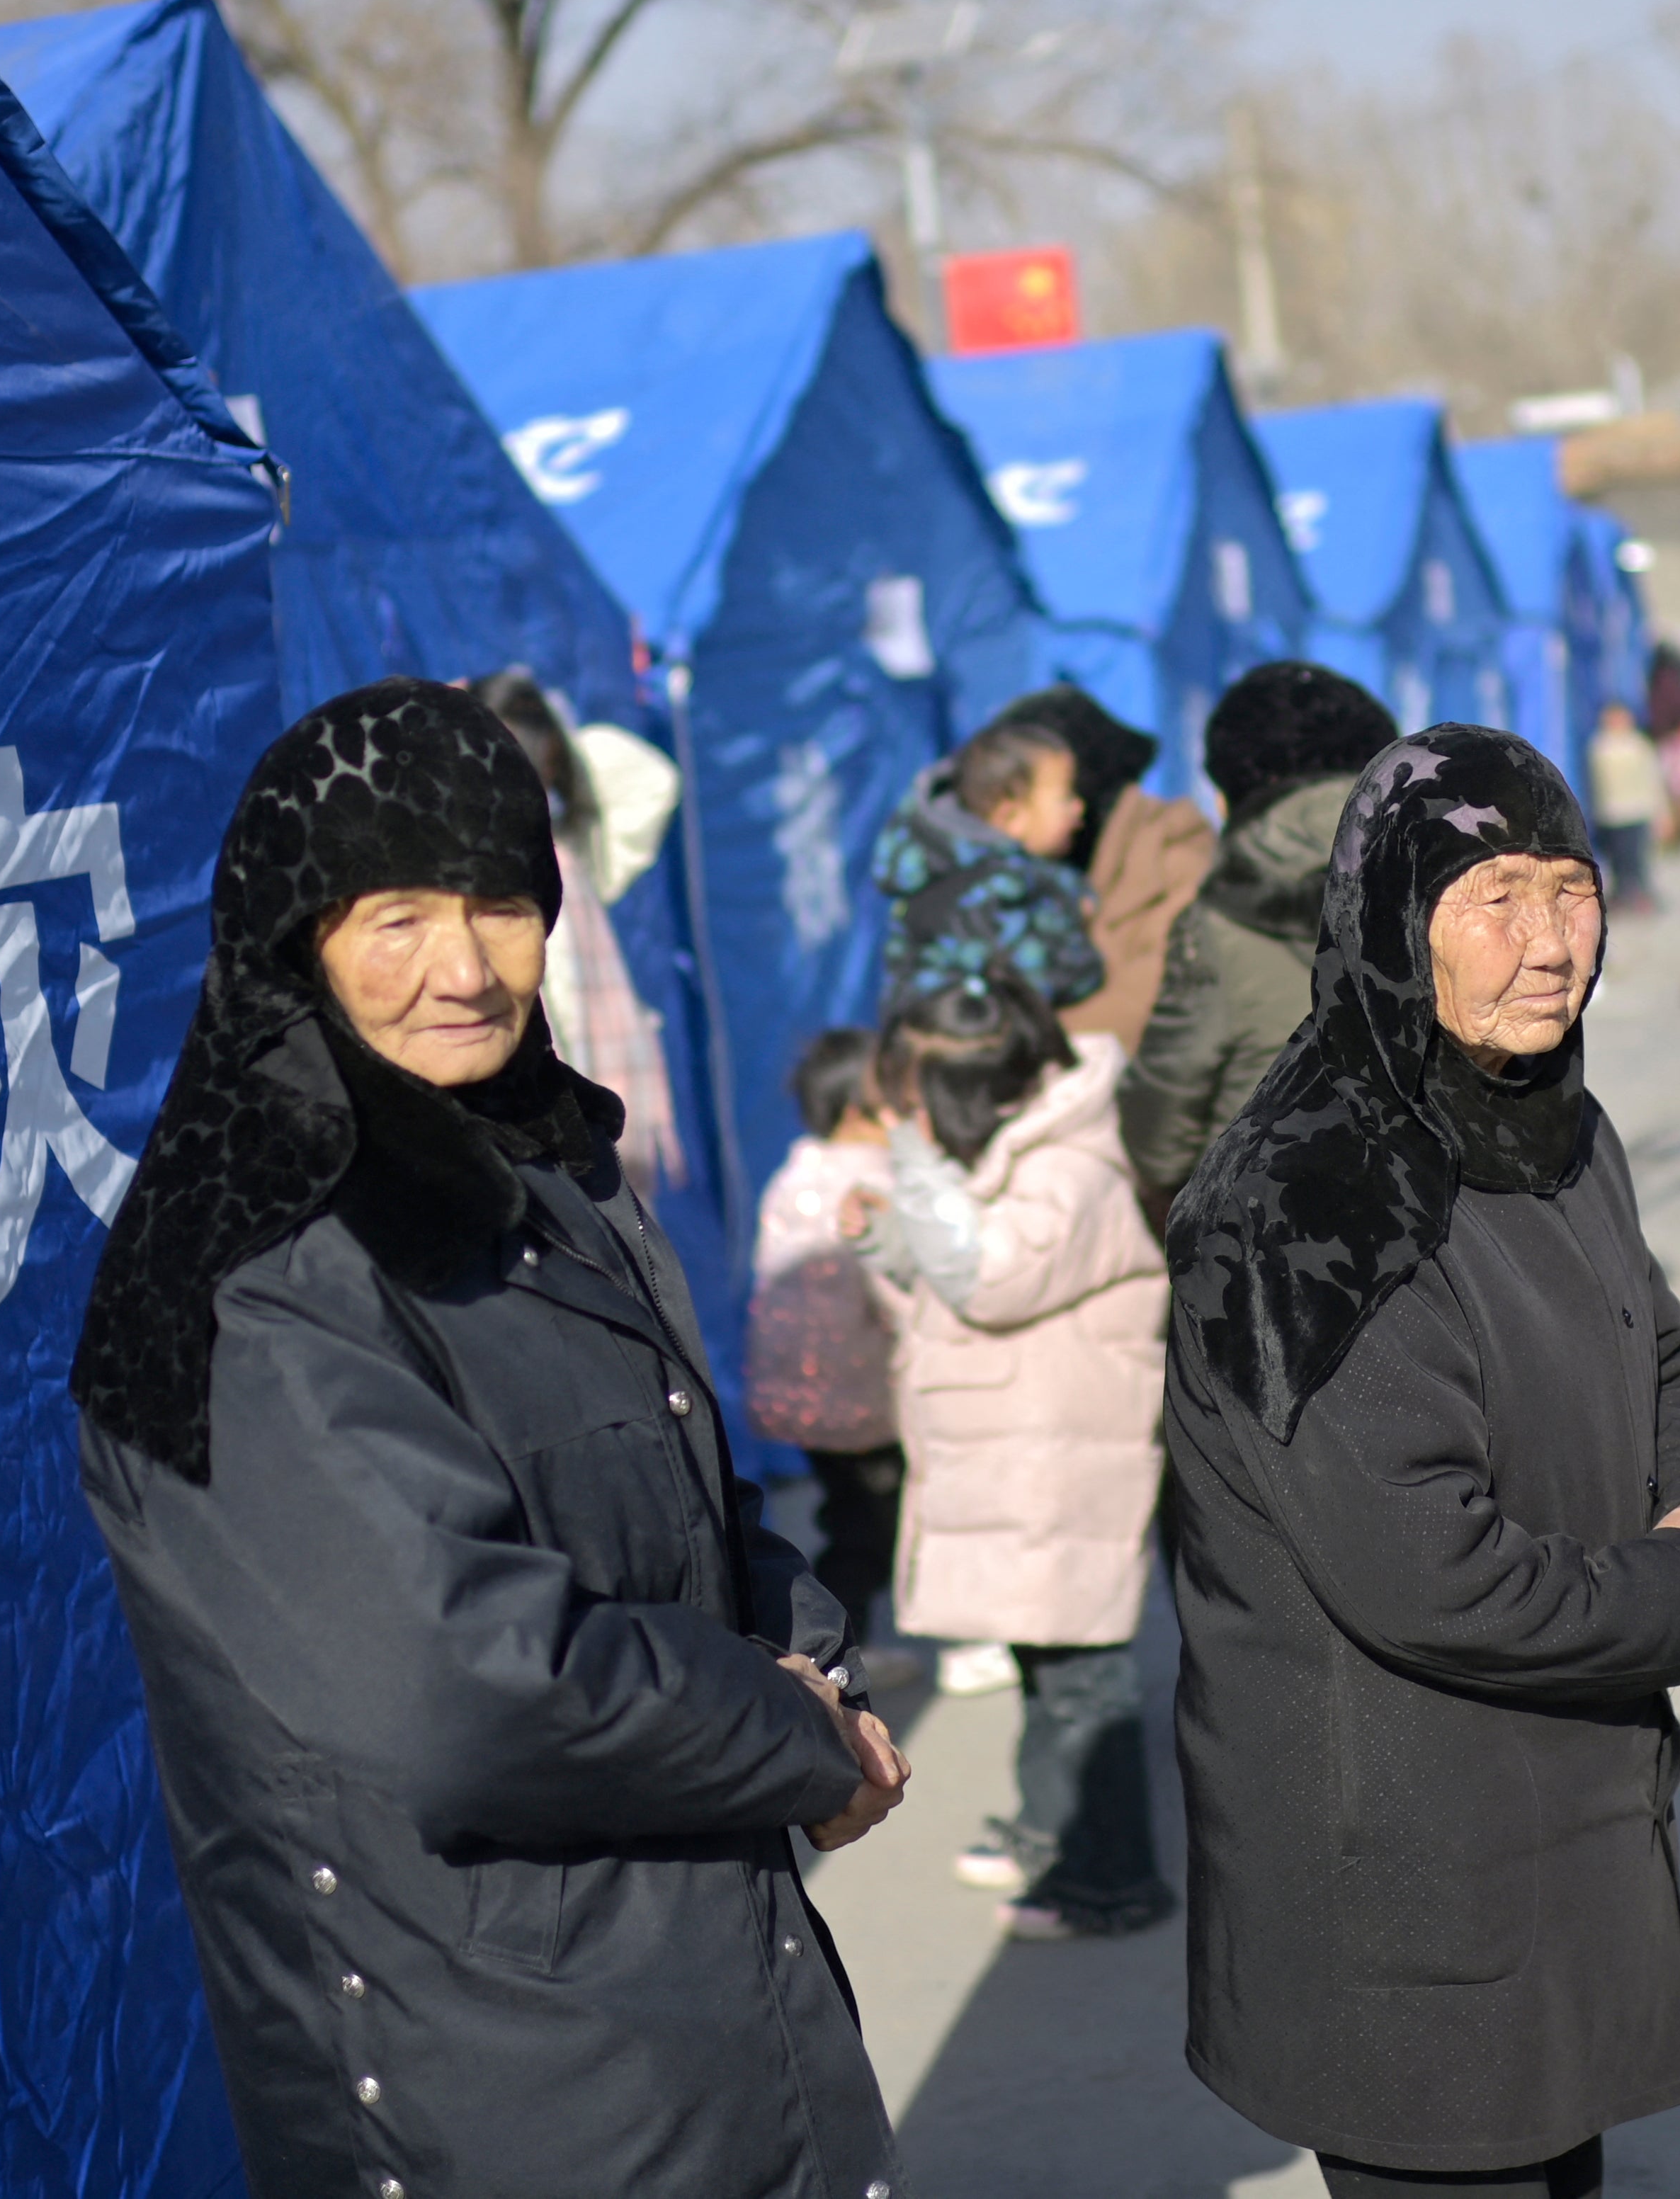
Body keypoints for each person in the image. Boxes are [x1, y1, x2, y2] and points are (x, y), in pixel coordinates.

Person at [68, 679, 911, 2199]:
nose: (462, 966)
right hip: (491, 2070)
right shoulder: (251, 1252)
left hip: (703, 1998)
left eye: (501, 904)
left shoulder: (540, 1161)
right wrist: (790, 1734)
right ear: (293, 939)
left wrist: (819, 1666)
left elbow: (679, 1503)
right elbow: (461, 1684)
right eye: (394, 915)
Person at [1162, 724, 1680, 2199]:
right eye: (1493, 897)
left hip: (1556, 1824)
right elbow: (1429, 1571)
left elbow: (1661, 1354)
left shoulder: (1552, 1121)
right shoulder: (1311, 1200)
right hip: (1405, 1886)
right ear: (1389, 920)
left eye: (1569, 890)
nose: (1548, 944)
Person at [847, 971, 1176, 1941]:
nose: (904, 1117)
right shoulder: (1034, 1150)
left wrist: (910, 1166)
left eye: (913, 1101)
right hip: (1033, 1454)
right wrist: (890, 1235)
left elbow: (983, 1277)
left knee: (1082, 1681)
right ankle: (1050, 1830)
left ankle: (1109, 1876)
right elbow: (955, 1275)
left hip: (1061, 1463)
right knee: (1050, 1665)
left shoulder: (1069, 1171)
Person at [1120, 660, 1399, 1223]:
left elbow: (1164, 1108)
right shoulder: (1448, 867)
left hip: (1269, 1231)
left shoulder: (1218, 915)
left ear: (1230, 791)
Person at [748, 1028, 921, 1691]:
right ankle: (843, 1653)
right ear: (862, 1111)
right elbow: (893, 1295)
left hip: (798, 1395)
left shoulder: (796, 1173)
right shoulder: (873, 1186)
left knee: (845, 1514)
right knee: (870, 1531)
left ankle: (850, 1642)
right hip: (863, 1396)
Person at [473, 669, 686, 1185]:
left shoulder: (571, 842)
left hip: (601, 1067)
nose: (522, 770)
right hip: (534, 1075)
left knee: (620, 1221)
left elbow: (653, 780)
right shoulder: (472, 860)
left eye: (533, 750)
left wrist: (551, 723)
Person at [989, 684, 1218, 1047]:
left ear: (1078, 800)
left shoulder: (1178, 864)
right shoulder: (1015, 877)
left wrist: (1006, 1053)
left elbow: (1152, 1009)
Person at [874, 717, 1103, 1014]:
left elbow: (1050, 879)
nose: (1079, 807)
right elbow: (1049, 979)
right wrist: (1082, 930)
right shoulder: (978, 902)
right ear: (1011, 817)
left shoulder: (999, 860)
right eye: (1066, 797)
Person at [1582, 698, 1663, 913]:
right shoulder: (1599, 745)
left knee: (1635, 858)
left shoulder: (1638, 745)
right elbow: (1593, 782)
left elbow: (1652, 779)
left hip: (1636, 811)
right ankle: (1620, 896)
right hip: (1610, 813)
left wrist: (1660, 812)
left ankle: (1640, 895)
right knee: (1616, 858)